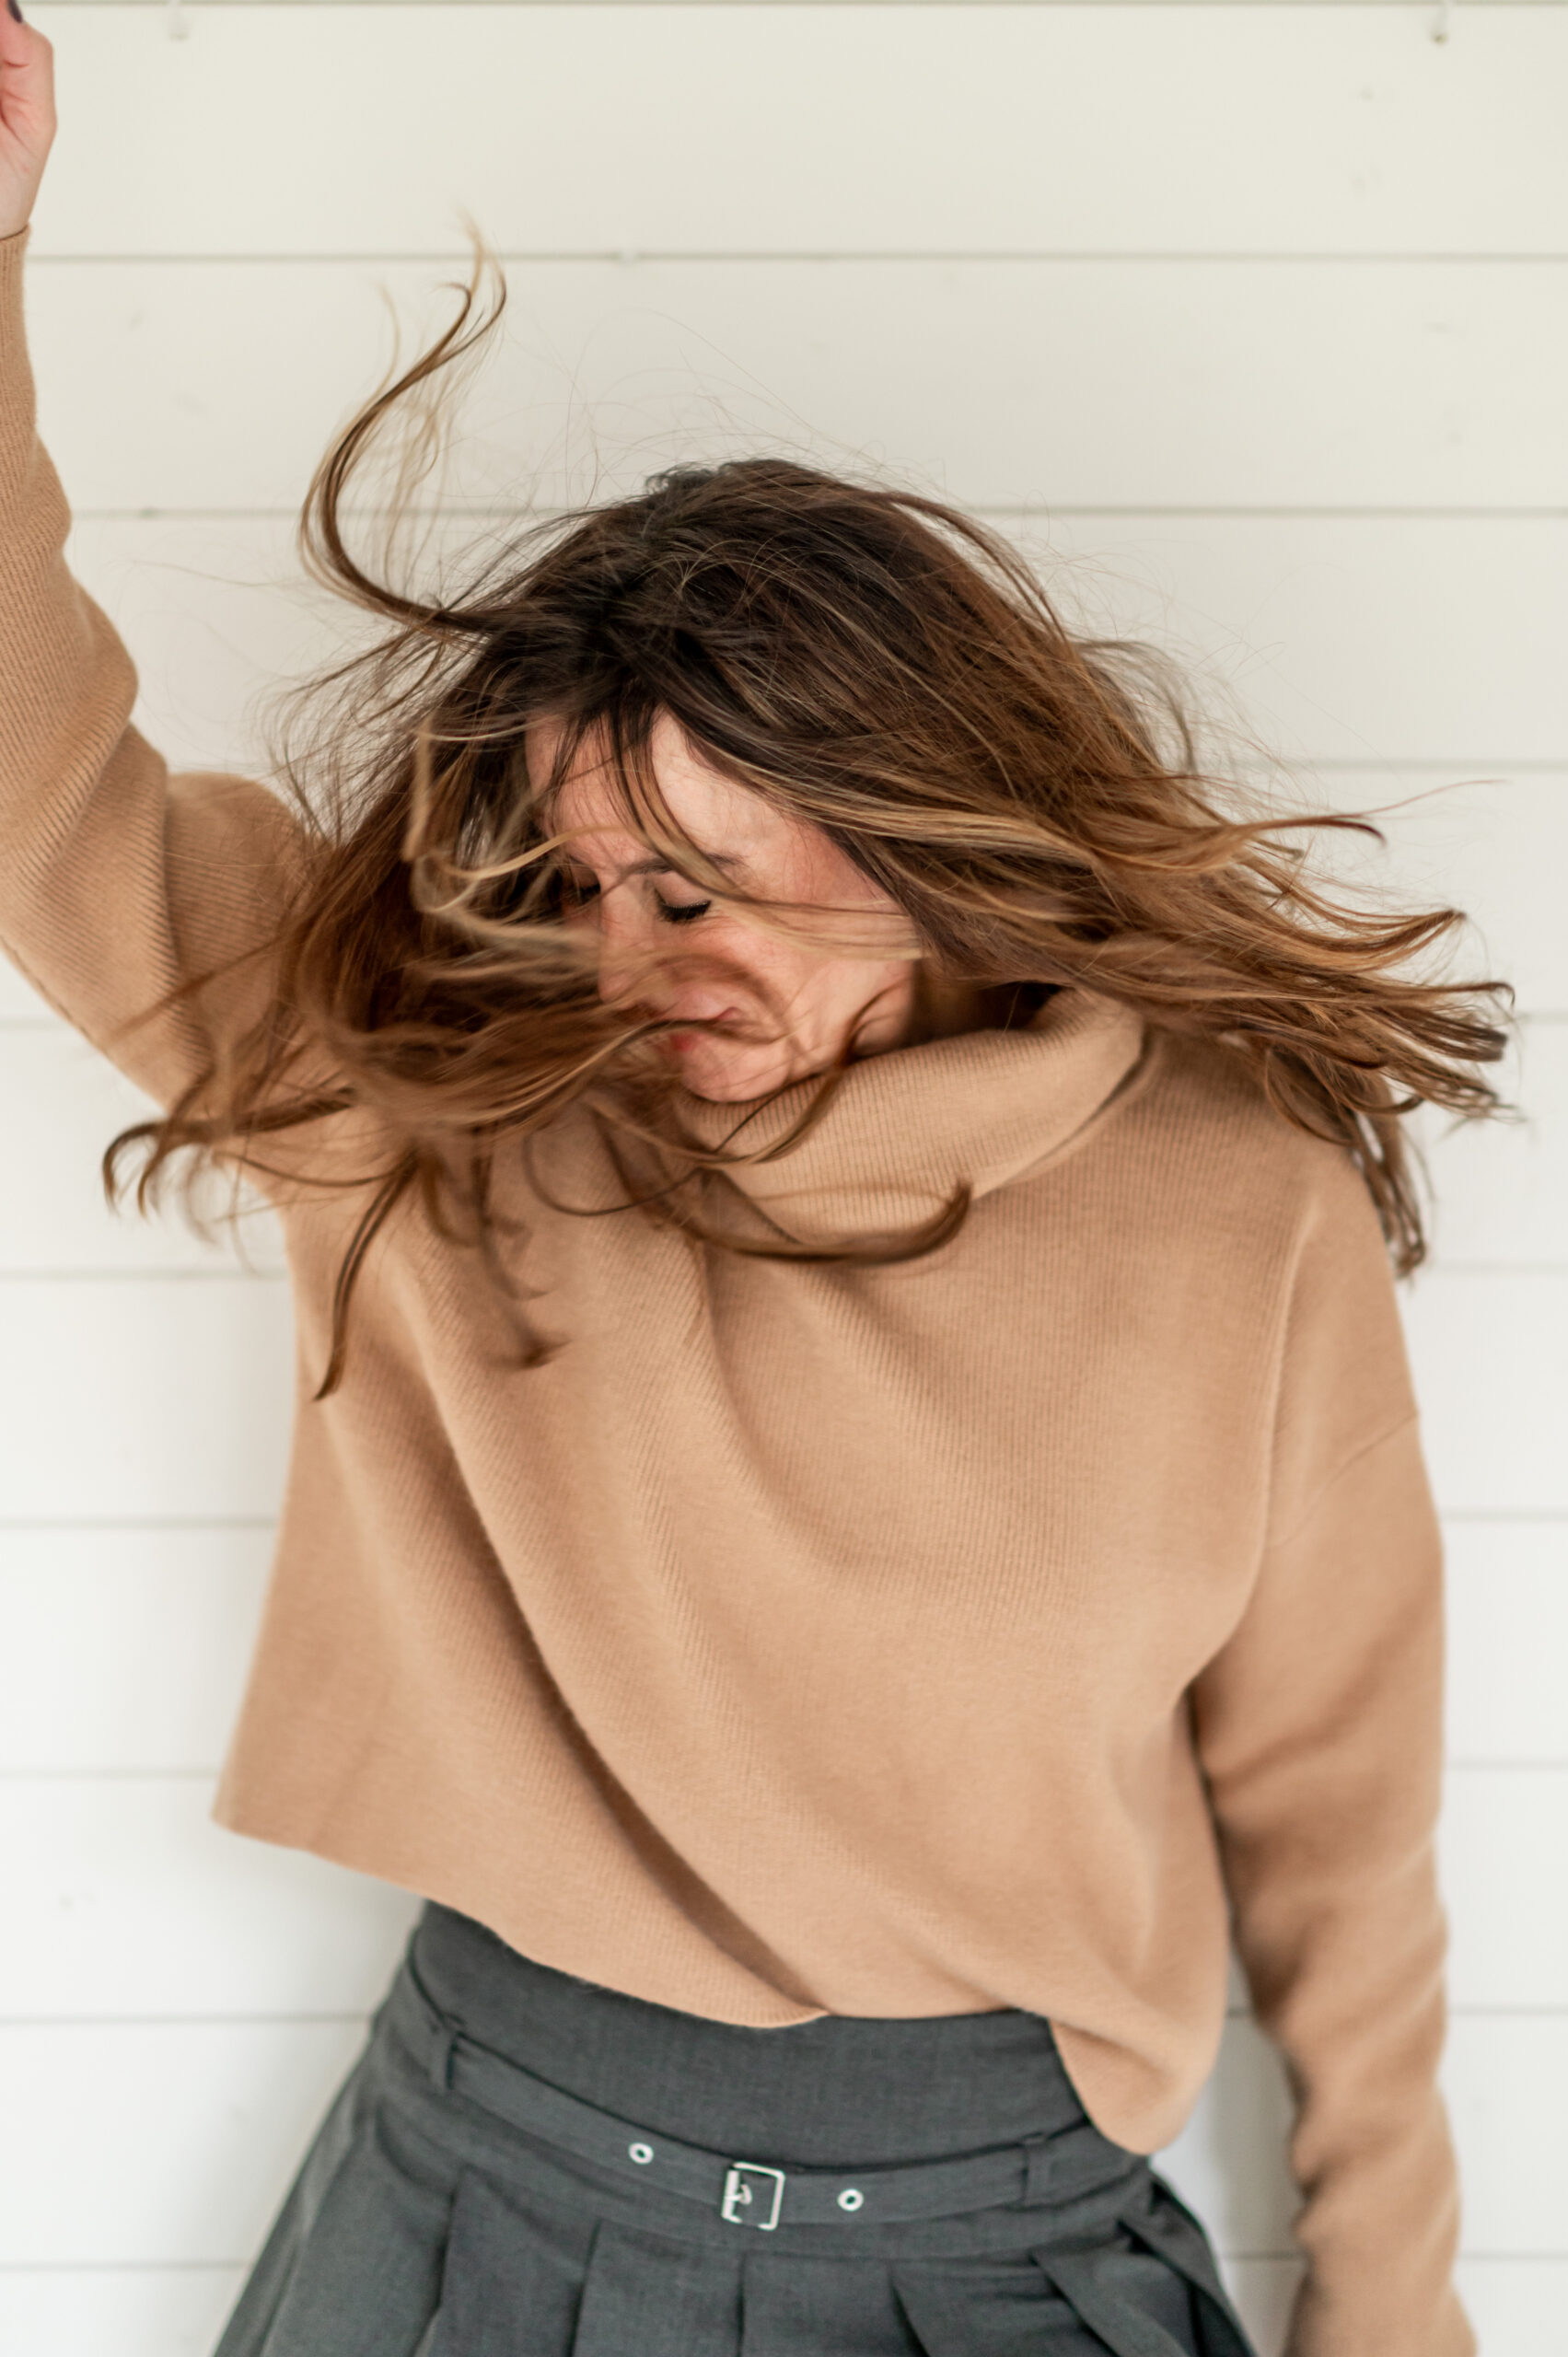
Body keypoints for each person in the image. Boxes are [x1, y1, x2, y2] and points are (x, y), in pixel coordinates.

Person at [0, 21, 1503, 2357]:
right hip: (477, 2192)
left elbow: (1339, 1823)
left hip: (998, 2237)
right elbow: (39, 779)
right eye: (588, 883)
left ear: (914, 829)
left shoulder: (1240, 1212)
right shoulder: (446, 1103)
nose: (628, 962)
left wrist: (1395, 2309)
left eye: (700, 886)